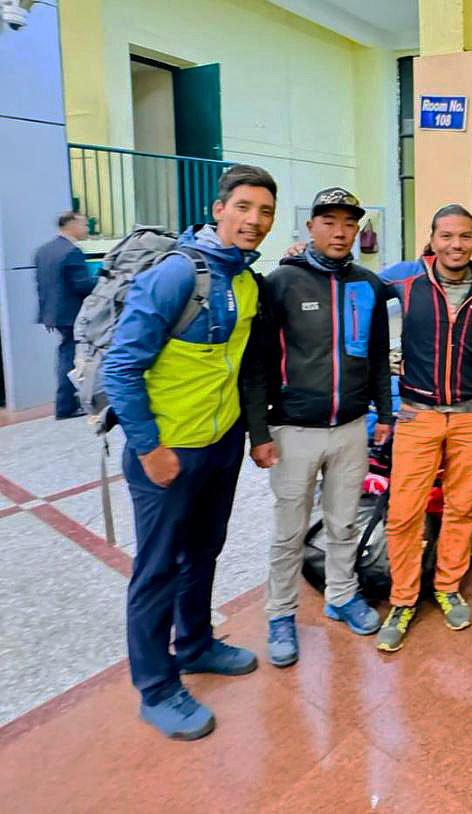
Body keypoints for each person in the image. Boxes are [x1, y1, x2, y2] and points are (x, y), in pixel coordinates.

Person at [103, 164, 277, 739]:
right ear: (219, 208)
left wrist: (253, 437)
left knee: (203, 551)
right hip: (167, 454)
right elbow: (122, 367)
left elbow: (245, 372)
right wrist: (150, 448)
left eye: (265, 212)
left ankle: (196, 644)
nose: (254, 221)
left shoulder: (248, 282)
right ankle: (155, 688)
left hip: (219, 446)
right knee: (155, 570)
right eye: (245, 207)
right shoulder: (176, 275)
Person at [243, 187, 393, 669]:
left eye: (349, 223)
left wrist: (385, 415)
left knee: (344, 522)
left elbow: (376, 360)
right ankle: (280, 614)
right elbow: (256, 364)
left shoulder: (367, 285)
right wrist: (259, 432)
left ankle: (342, 594)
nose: (340, 231)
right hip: (293, 430)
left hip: (350, 427)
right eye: (329, 221)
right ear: (310, 227)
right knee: (289, 531)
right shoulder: (280, 283)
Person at [375, 205, 472, 653]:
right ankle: (403, 600)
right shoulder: (405, 279)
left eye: (464, 236)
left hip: (471, 416)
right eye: (446, 236)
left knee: (462, 508)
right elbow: (349, 283)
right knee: (404, 513)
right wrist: (302, 255)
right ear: (432, 237)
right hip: (418, 414)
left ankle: (447, 586)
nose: (455, 245)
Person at [35, 211, 94, 419]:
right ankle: (65, 405)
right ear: (71, 225)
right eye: (84, 225)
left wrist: (46, 314)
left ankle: (68, 401)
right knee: (68, 356)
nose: (87, 229)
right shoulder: (71, 251)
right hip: (71, 314)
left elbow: (41, 285)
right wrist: (106, 280)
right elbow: (82, 285)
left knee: (66, 353)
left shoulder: (44, 251)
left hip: (54, 313)